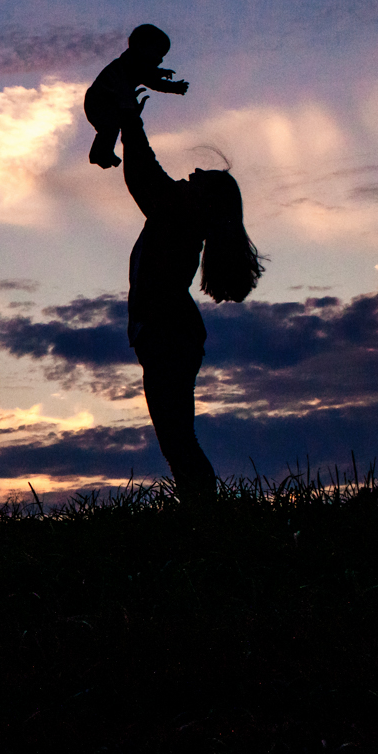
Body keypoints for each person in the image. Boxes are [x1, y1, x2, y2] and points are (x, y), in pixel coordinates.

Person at [118, 102, 266, 507]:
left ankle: (203, 515)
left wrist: (131, 123)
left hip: (169, 337)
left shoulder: (177, 216)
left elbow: (143, 175)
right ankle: (200, 513)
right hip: (171, 335)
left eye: (203, 179)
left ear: (204, 202)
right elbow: (146, 177)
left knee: (177, 438)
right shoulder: (179, 217)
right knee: (177, 437)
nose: (194, 173)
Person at [84, 24, 188, 169]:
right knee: (109, 127)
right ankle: (100, 154)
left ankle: (102, 153)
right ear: (141, 46)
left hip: (106, 101)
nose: (160, 60)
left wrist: (172, 86)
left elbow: (151, 80)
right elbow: (148, 75)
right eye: (158, 53)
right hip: (99, 100)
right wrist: (165, 77)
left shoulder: (134, 65)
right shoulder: (129, 62)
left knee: (111, 128)